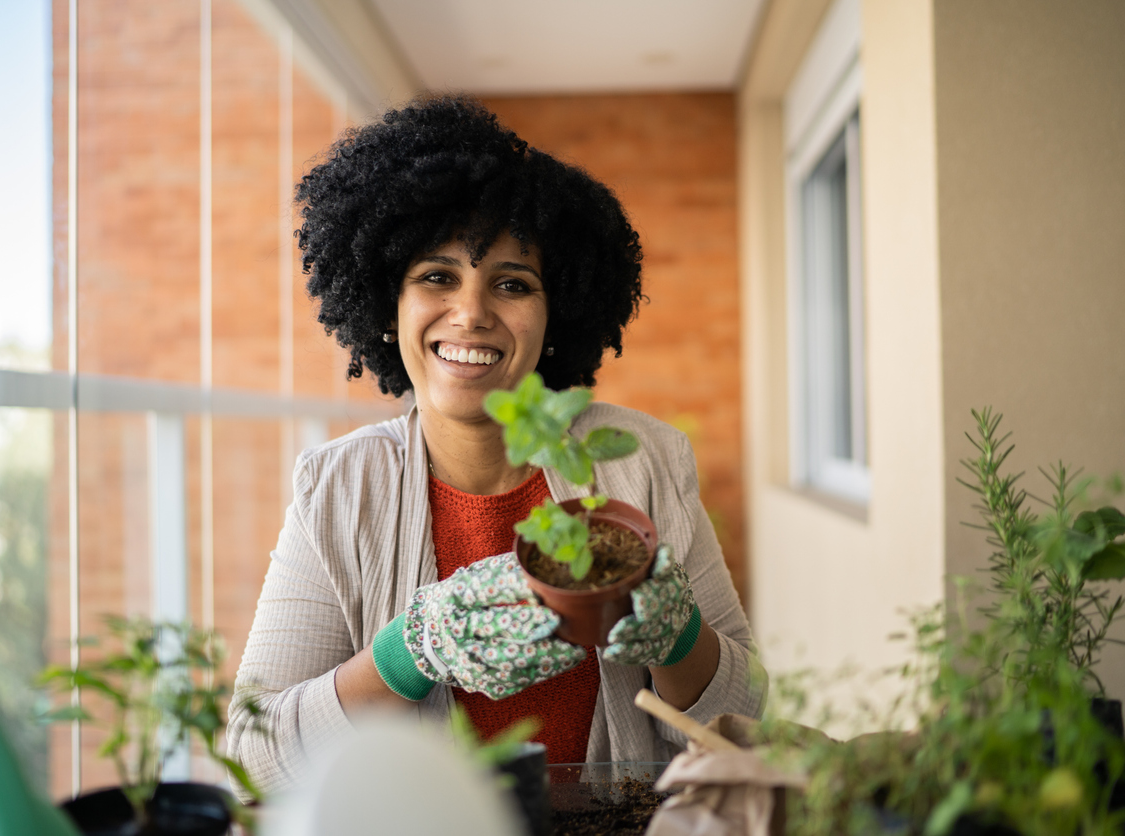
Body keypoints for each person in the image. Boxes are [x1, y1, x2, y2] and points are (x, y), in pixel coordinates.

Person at [226, 94, 767, 798]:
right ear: (388, 306)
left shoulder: (644, 460)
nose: (472, 312)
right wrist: (407, 651)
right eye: (436, 277)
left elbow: (750, 712)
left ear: (557, 315)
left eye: (512, 284)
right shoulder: (336, 487)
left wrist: (678, 637)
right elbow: (249, 757)